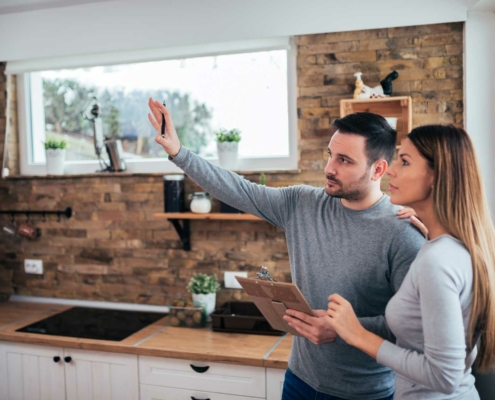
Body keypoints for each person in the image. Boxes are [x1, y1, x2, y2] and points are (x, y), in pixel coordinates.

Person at [147, 98, 425, 400]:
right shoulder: (301, 204)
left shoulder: (402, 233)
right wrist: (179, 152)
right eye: (330, 155)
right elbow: (238, 190)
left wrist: (345, 328)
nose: (329, 168)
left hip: (364, 393)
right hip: (299, 381)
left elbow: (414, 325)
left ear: (378, 169)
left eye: (344, 160)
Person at [325, 125, 495, 399]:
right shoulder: (452, 247)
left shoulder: (438, 260)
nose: (391, 170)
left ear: (435, 177)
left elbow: (445, 376)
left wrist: (357, 333)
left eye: (404, 162)